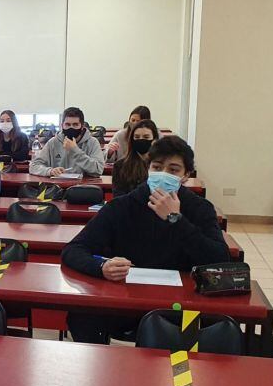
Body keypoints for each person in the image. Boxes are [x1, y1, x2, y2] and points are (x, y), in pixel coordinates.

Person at [61, 136, 228, 343]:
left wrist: (176, 220)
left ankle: (175, 373)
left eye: (173, 170)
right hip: (126, 302)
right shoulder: (122, 206)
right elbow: (73, 250)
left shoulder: (199, 208)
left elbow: (221, 260)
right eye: (157, 167)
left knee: (179, 359)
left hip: (180, 308)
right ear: (148, 169)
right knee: (82, 316)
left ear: (185, 176)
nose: (163, 175)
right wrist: (102, 266)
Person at [29, 107, 104, 177]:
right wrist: (50, 171)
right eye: (67, 124)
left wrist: (75, 150)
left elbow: (98, 170)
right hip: (57, 187)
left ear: (82, 126)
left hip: (83, 188)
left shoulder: (93, 142)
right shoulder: (53, 142)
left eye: (75, 125)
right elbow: (34, 166)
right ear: (62, 126)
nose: (71, 128)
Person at [110, 119, 159, 196]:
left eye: (146, 137)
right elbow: (118, 198)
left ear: (155, 140)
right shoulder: (120, 166)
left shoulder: (162, 167)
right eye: (137, 137)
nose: (141, 140)